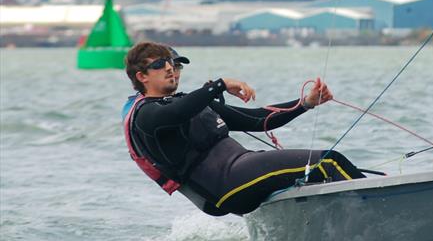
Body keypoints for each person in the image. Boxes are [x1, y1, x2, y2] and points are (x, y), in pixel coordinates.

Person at [122, 41, 364, 216]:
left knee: (316, 177)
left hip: (242, 171)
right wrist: (221, 84)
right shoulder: (146, 115)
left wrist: (306, 104)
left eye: (172, 64)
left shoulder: (192, 103)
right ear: (142, 77)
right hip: (226, 184)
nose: (170, 68)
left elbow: (258, 120)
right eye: (160, 64)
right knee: (329, 162)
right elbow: (175, 113)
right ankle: (384, 222)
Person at [121, 46, 189, 120]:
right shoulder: (143, 111)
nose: (171, 70)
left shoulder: (181, 100)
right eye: (160, 65)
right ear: (142, 76)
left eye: (177, 66)